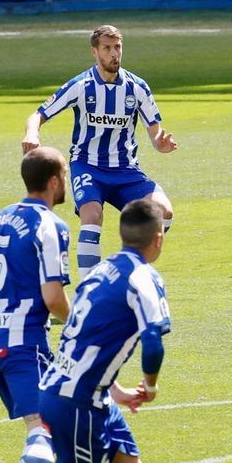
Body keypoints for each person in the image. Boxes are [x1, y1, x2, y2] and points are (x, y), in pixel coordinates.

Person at [0, 199, 170, 463]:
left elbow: (80, 338)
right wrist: (150, 386)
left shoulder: (102, 270)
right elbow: (152, 340)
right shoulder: (144, 277)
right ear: (158, 238)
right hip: (77, 404)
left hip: (85, 394)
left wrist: (115, 390)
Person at [21, 25, 178, 282]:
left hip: (126, 170)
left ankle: (126, 265)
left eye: (117, 47)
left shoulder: (137, 87)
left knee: (163, 212)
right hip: (88, 166)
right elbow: (38, 114)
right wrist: (32, 134)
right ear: (95, 52)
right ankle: (89, 290)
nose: (114, 53)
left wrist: (161, 144)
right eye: (107, 48)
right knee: (92, 215)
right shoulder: (81, 85)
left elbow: (155, 133)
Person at [0, 149, 71, 463]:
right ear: (53, 181)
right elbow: (52, 297)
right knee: (42, 427)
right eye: (64, 175)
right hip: (22, 343)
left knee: (47, 421)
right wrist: (79, 323)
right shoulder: (51, 225)